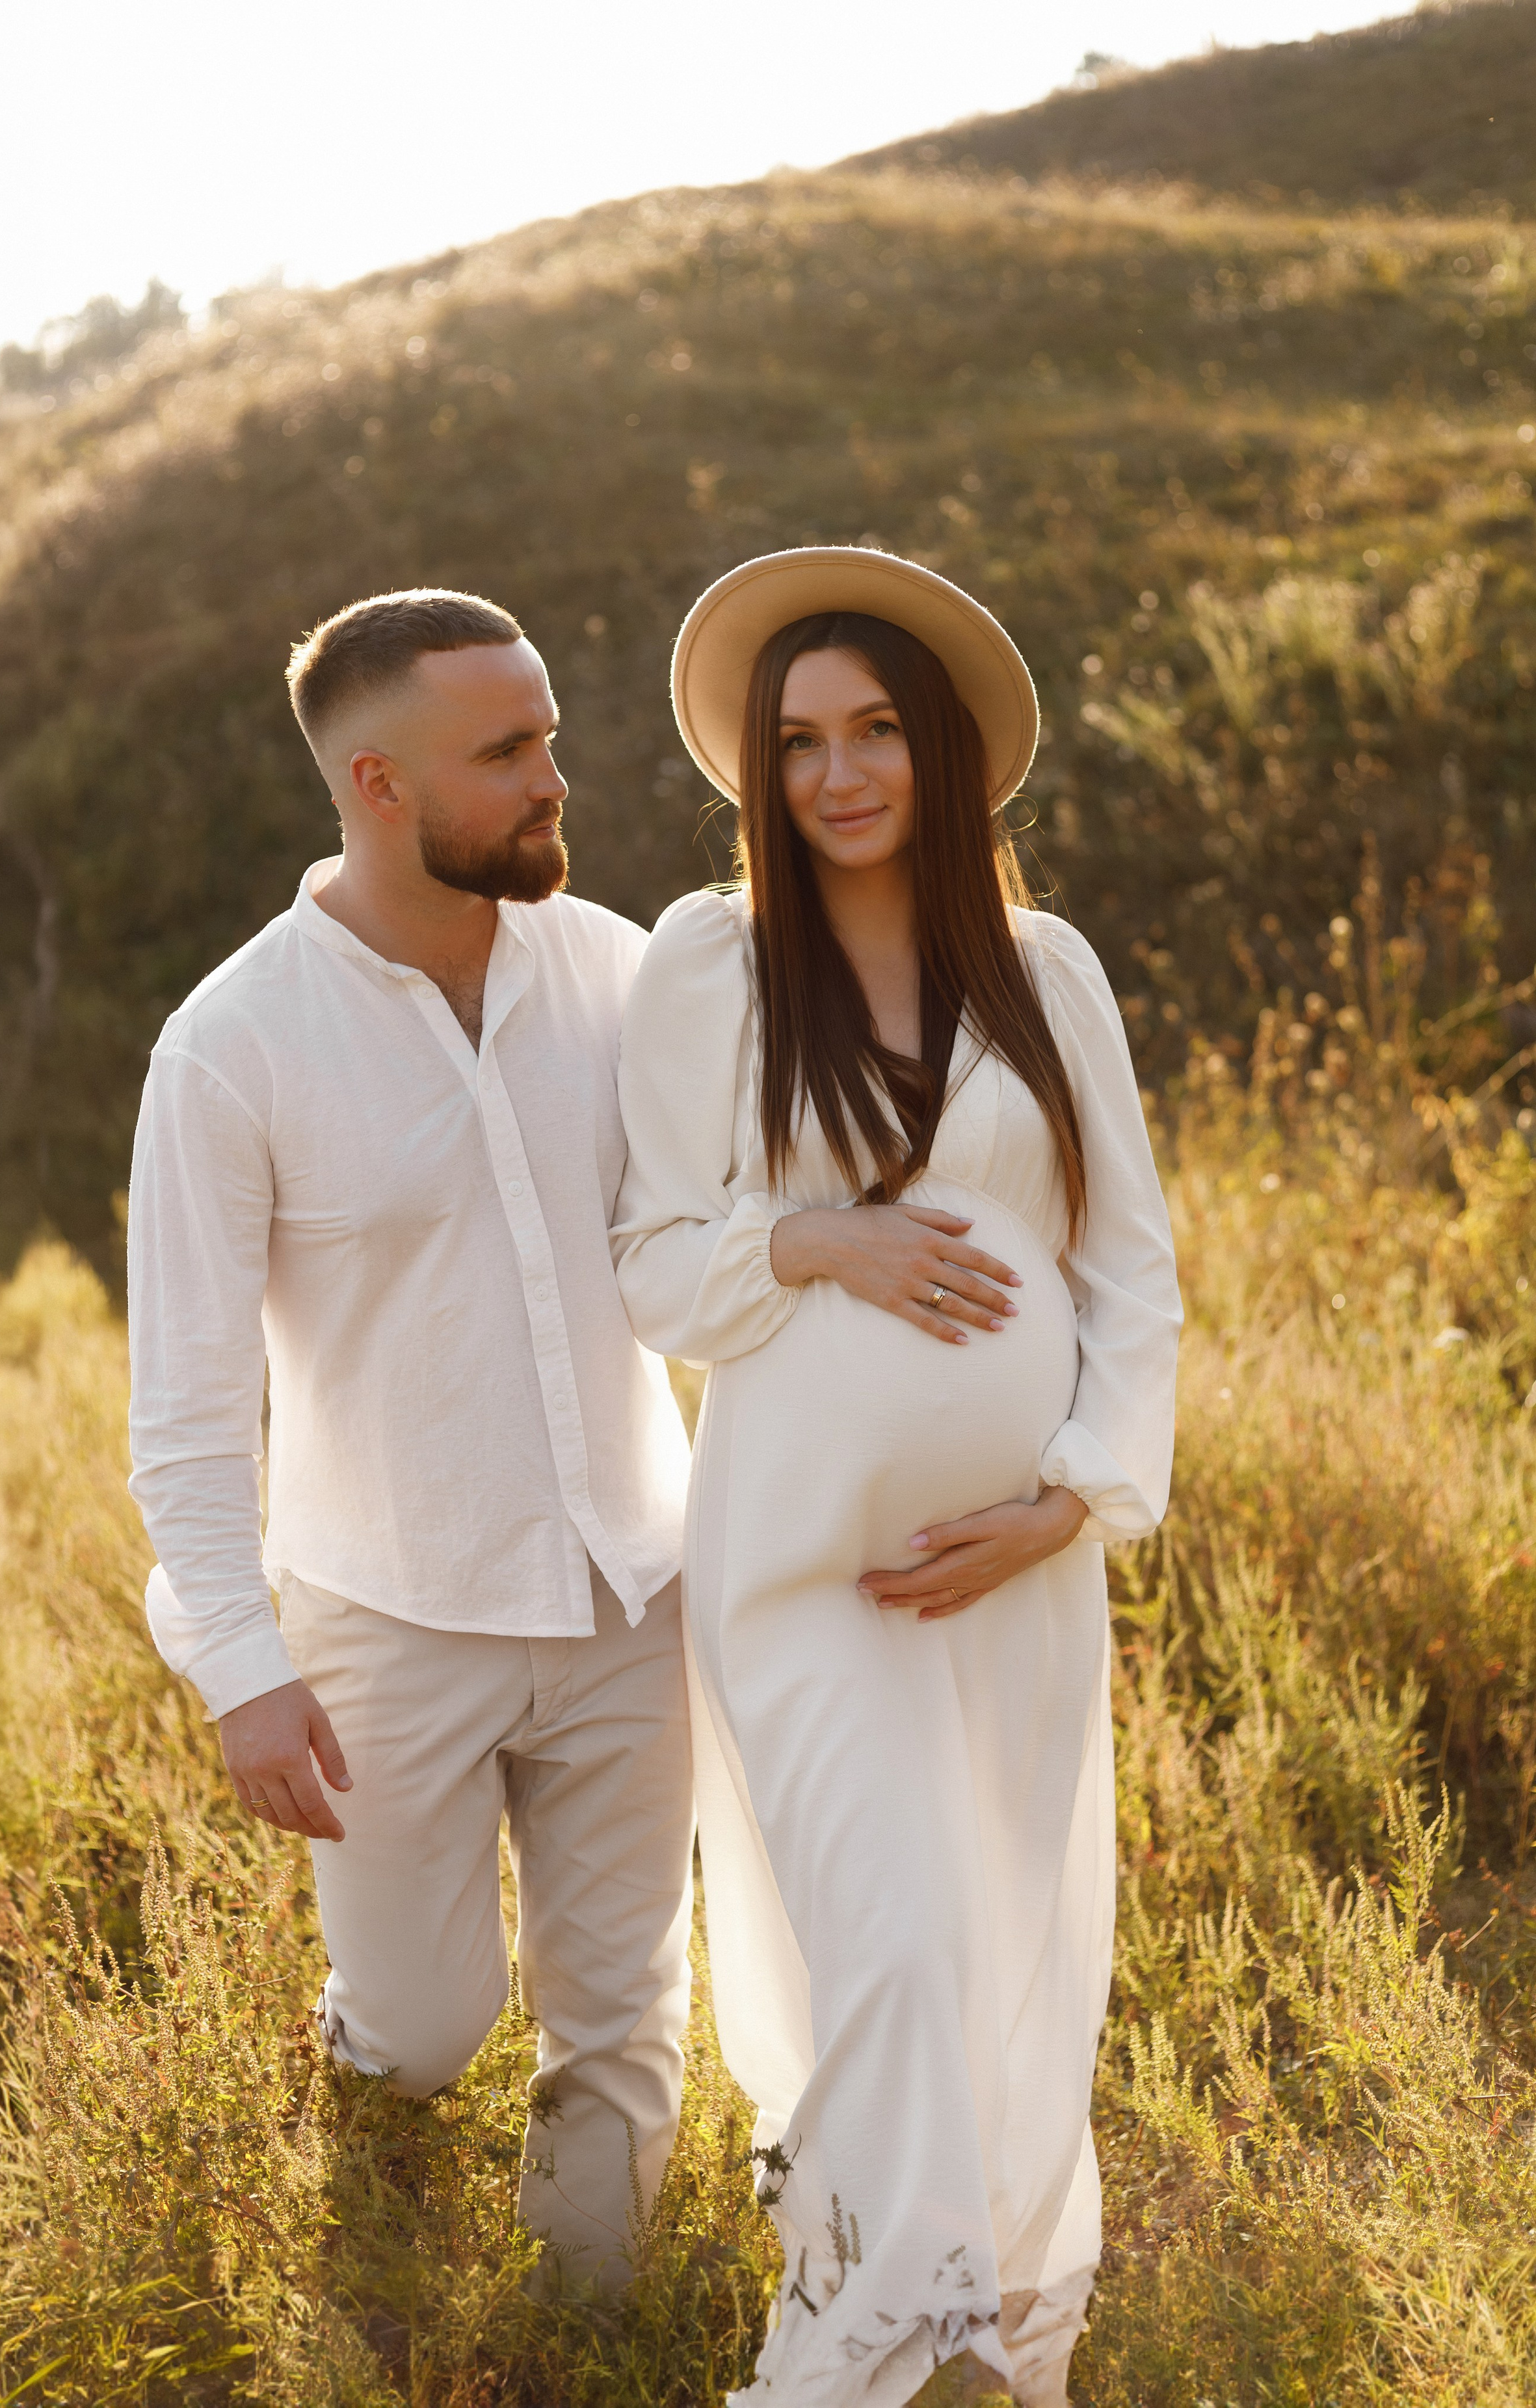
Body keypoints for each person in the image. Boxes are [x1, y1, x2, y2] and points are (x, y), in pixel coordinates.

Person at [612, 548, 1182, 2405]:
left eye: (872, 735)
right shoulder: (713, 958)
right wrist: (821, 1246)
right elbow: (653, 1257)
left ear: (940, 754)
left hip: (1013, 1570)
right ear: (758, 775)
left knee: (1013, 1947)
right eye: (797, 743)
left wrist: (1072, 1497)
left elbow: (1130, 1273)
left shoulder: (1046, 968)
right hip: (800, 1572)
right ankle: (869, 2351)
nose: (837, 775)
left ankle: (986, 2329)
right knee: (904, 1946)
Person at [126, 587, 696, 2288]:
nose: (552, 779)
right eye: (506, 752)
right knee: (425, 2028)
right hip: (388, 1623)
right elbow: (186, 1403)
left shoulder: (619, 969)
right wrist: (242, 1668)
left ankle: (588, 2346)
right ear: (378, 784)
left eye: (550, 737)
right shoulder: (230, 1050)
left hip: (631, 1598)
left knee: (626, 2016)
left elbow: (727, 1237)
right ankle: (371, 2257)